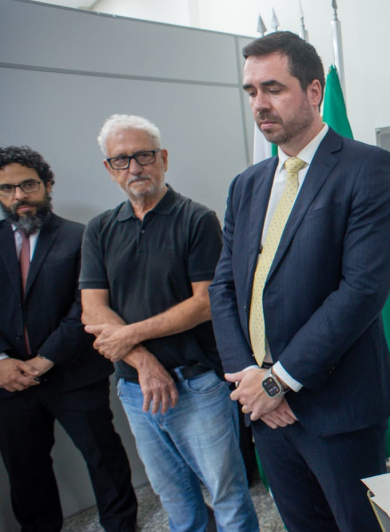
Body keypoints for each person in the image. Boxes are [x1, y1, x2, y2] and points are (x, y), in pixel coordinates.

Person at [209, 31, 390, 532]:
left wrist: (280, 381)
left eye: (273, 88)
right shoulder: (247, 184)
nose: (260, 103)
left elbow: (361, 291)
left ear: (315, 92)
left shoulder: (368, 168)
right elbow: (225, 288)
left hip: (335, 410)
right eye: (251, 91)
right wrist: (251, 380)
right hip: (264, 408)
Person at [80, 115, 259, 532]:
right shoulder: (100, 229)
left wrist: (128, 334)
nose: (135, 168)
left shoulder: (197, 220)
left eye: (143, 156)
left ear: (162, 159)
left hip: (197, 385)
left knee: (226, 496)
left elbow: (204, 304)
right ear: (109, 169)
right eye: (121, 160)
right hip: (134, 389)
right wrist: (142, 361)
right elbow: (92, 308)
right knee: (174, 498)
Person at [0, 146, 138, 532]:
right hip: (9, 382)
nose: (19, 196)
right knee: (25, 469)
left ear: (46, 185)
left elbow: (86, 308)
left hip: (74, 373)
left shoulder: (81, 237)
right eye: (7, 188)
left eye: (28, 184)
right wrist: (2, 361)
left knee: (103, 458)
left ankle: (122, 525)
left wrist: (46, 359)